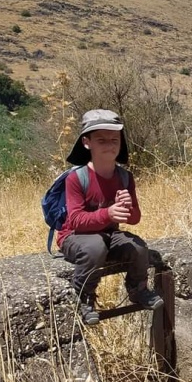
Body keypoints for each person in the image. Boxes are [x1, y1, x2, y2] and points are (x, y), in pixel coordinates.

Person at [58, 109, 163, 325]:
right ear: (87, 142)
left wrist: (127, 206)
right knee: (95, 247)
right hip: (74, 237)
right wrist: (108, 213)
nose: (109, 144)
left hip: (108, 234)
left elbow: (134, 219)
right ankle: (85, 298)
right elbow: (76, 220)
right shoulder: (76, 178)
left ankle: (138, 289)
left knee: (139, 247)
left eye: (114, 139)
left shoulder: (124, 177)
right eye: (101, 139)